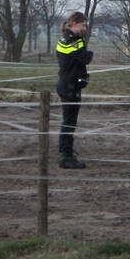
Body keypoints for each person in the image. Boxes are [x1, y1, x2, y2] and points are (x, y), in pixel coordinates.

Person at [56, 11, 93, 169]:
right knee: (69, 123)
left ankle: (66, 151)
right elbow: (86, 58)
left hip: (69, 84)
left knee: (69, 122)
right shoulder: (71, 40)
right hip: (70, 86)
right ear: (74, 24)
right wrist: (89, 52)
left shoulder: (67, 38)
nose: (84, 28)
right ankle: (66, 157)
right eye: (83, 25)